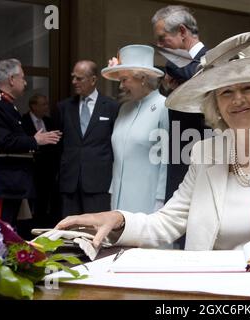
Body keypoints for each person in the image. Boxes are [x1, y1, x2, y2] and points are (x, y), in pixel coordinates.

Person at [56, 32, 250, 252]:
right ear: (215, 105)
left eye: (248, 88)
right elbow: (167, 221)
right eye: (226, 92)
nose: (238, 100)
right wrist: (117, 219)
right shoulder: (205, 152)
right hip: (209, 286)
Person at [0, 59, 61, 231]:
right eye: (22, 77)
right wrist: (35, 140)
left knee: (9, 230)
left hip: (13, 182)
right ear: (12, 79)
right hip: (3, 181)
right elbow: (4, 141)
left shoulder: (6, 105)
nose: (25, 82)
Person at [151, 5, 208, 205]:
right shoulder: (181, 67)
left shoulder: (213, 58)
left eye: (162, 38)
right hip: (178, 156)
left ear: (182, 31)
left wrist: (172, 66)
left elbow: (202, 80)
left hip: (203, 157)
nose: (159, 45)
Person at [101, 45, 169, 214]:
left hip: (148, 201)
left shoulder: (164, 107)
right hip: (118, 199)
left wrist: (160, 202)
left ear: (143, 78)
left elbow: (167, 161)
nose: (121, 86)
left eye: (125, 80)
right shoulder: (124, 109)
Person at [57, 60, 119, 217]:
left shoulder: (111, 107)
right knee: (69, 231)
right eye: (73, 77)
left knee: (95, 232)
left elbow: (115, 144)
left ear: (93, 80)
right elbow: (58, 146)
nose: (74, 82)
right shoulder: (63, 107)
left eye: (79, 78)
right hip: (70, 182)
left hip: (99, 182)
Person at [22, 94, 61, 227]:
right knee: (30, 203)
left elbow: (56, 146)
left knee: (45, 201)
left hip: (49, 170)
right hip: (31, 169)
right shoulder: (23, 121)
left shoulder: (49, 122)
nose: (47, 107)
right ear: (33, 106)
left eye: (47, 104)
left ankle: (43, 226)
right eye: (43, 104)